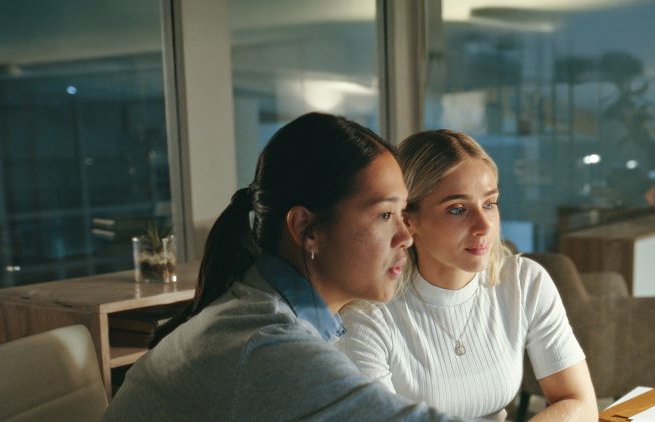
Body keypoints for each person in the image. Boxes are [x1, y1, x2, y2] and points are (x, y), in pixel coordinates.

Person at [104, 113, 463, 421]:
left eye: (402, 213)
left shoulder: (257, 305)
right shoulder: (267, 346)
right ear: (305, 228)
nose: (406, 236)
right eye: (384, 215)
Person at [337, 130, 598, 420]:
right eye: (458, 209)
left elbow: (580, 404)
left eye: (489, 204)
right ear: (409, 220)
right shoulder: (368, 317)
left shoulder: (524, 282)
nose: (484, 226)